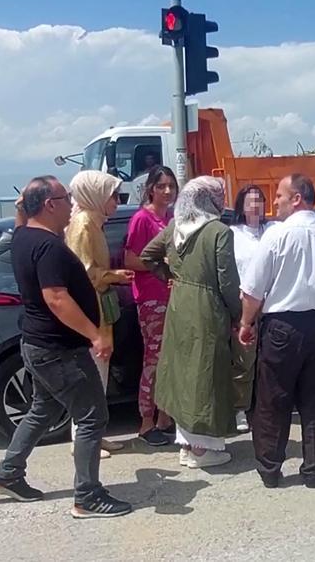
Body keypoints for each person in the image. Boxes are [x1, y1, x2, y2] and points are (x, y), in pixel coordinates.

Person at [0, 176, 132, 519]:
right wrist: (94, 335)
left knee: (42, 410)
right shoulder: (48, 247)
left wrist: (23, 204)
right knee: (93, 416)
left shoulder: (23, 235)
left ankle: (8, 473)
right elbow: (56, 298)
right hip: (59, 350)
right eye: (66, 198)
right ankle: (87, 496)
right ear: (50, 205)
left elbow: (23, 217)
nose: (72, 203)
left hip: (38, 345)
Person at [239, 174, 315, 488]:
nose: (274, 201)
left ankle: (270, 470)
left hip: (283, 327)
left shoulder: (276, 237)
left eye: (279, 195)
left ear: (297, 198)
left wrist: (246, 322)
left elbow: (252, 291)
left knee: (273, 399)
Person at [140, 176, 241, 469]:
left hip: (179, 303)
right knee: (206, 372)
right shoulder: (219, 231)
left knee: (183, 372)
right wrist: (238, 315)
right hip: (206, 307)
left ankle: (185, 443)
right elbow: (227, 281)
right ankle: (202, 448)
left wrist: (170, 277)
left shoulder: (175, 227)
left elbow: (148, 256)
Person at [66, 170, 134, 458]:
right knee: (92, 375)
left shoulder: (94, 222)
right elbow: (85, 273)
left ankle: (96, 434)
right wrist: (113, 276)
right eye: (113, 196)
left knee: (99, 375)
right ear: (96, 196)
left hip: (99, 307)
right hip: (90, 309)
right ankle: (83, 439)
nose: (117, 202)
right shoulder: (83, 225)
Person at [124, 166, 178, 446]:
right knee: (154, 361)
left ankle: (165, 418)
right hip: (151, 299)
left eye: (171, 185)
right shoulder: (141, 219)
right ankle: (146, 422)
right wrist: (161, 264)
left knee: (170, 360)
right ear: (151, 189)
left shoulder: (171, 218)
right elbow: (130, 260)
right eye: (162, 186)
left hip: (172, 297)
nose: (167, 191)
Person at [229, 184, 273, 433]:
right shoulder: (233, 234)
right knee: (243, 361)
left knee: (269, 360)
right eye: (250, 201)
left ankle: (266, 407)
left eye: (259, 200)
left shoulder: (273, 230)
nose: (255, 204)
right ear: (241, 207)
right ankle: (240, 409)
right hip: (245, 305)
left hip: (272, 305)